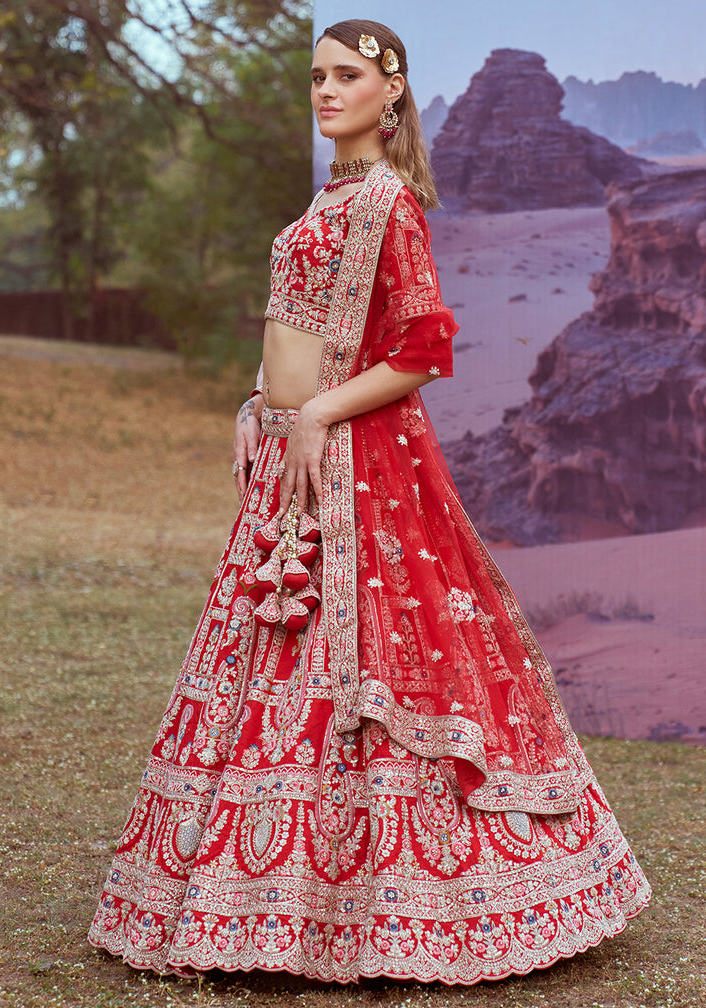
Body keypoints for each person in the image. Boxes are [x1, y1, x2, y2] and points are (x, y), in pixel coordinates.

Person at [88, 19, 650, 985]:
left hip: (355, 470)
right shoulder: (333, 197)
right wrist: (259, 408)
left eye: (347, 76)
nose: (325, 90)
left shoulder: (387, 202)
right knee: (270, 663)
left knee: (364, 672)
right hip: (293, 458)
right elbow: (300, 338)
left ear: (391, 92)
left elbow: (426, 348)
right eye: (316, 76)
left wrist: (315, 417)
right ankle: (270, 906)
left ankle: (387, 912)